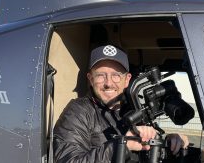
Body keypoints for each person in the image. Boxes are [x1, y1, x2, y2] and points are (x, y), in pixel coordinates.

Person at [53, 45, 189, 162]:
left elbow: (148, 148)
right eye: (100, 75)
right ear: (90, 78)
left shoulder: (133, 108)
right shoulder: (78, 111)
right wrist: (121, 145)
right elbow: (68, 160)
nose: (108, 83)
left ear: (127, 80)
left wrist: (170, 142)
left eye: (116, 75)